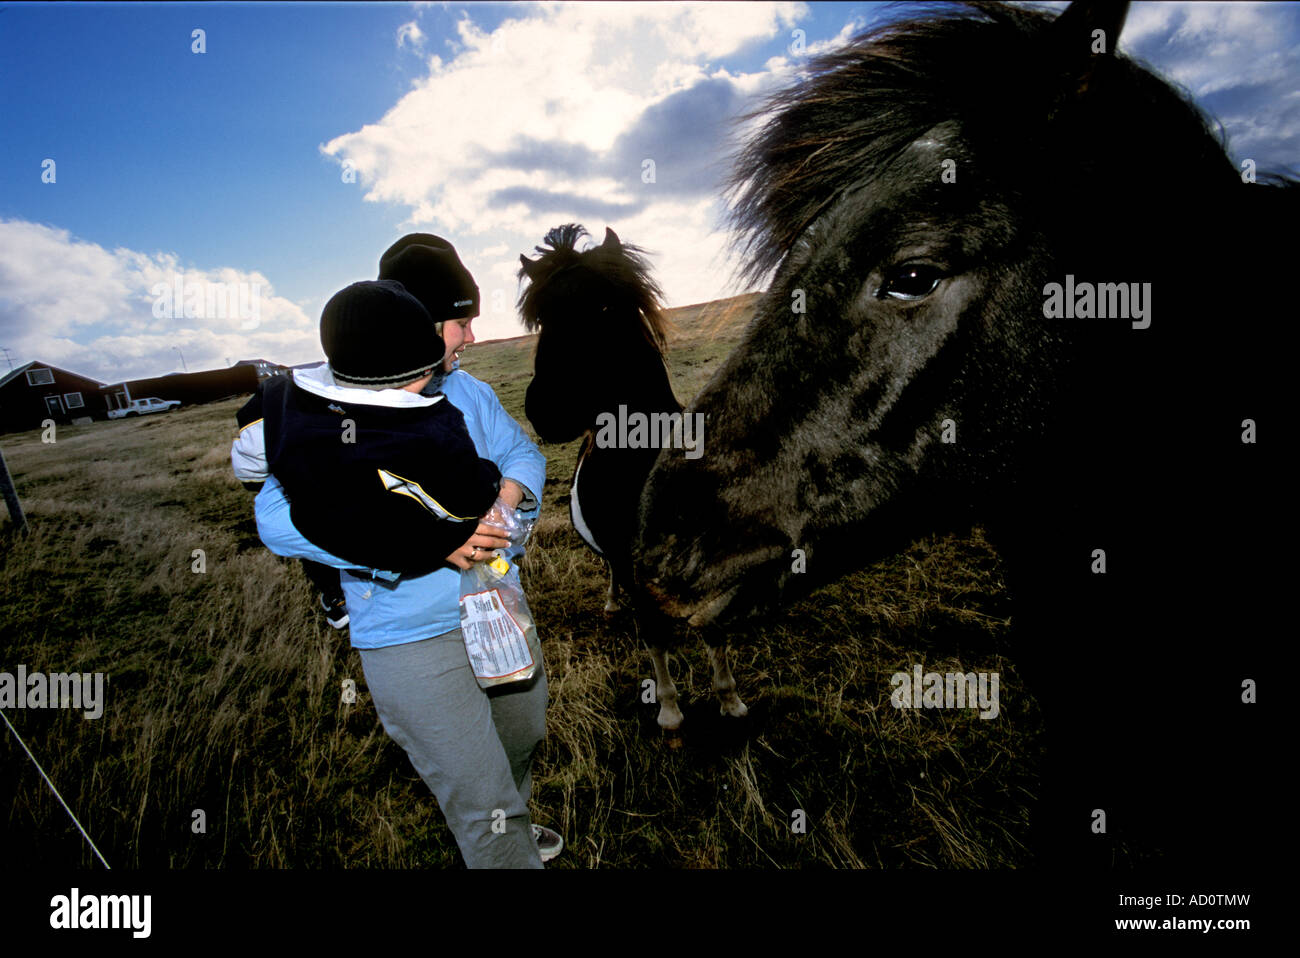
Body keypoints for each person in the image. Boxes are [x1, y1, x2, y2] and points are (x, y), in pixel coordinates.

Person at [253, 234, 561, 868]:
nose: (472, 336)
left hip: (498, 608)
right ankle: (503, 848)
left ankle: (515, 829)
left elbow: (526, 455)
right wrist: (426, 542)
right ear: (417, 328)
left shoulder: (470, 394)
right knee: (480, 804)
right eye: (460, 321)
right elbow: (277, 522)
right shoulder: (329, 421)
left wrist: (504, 504)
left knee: (523, 738)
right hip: (410, 638)